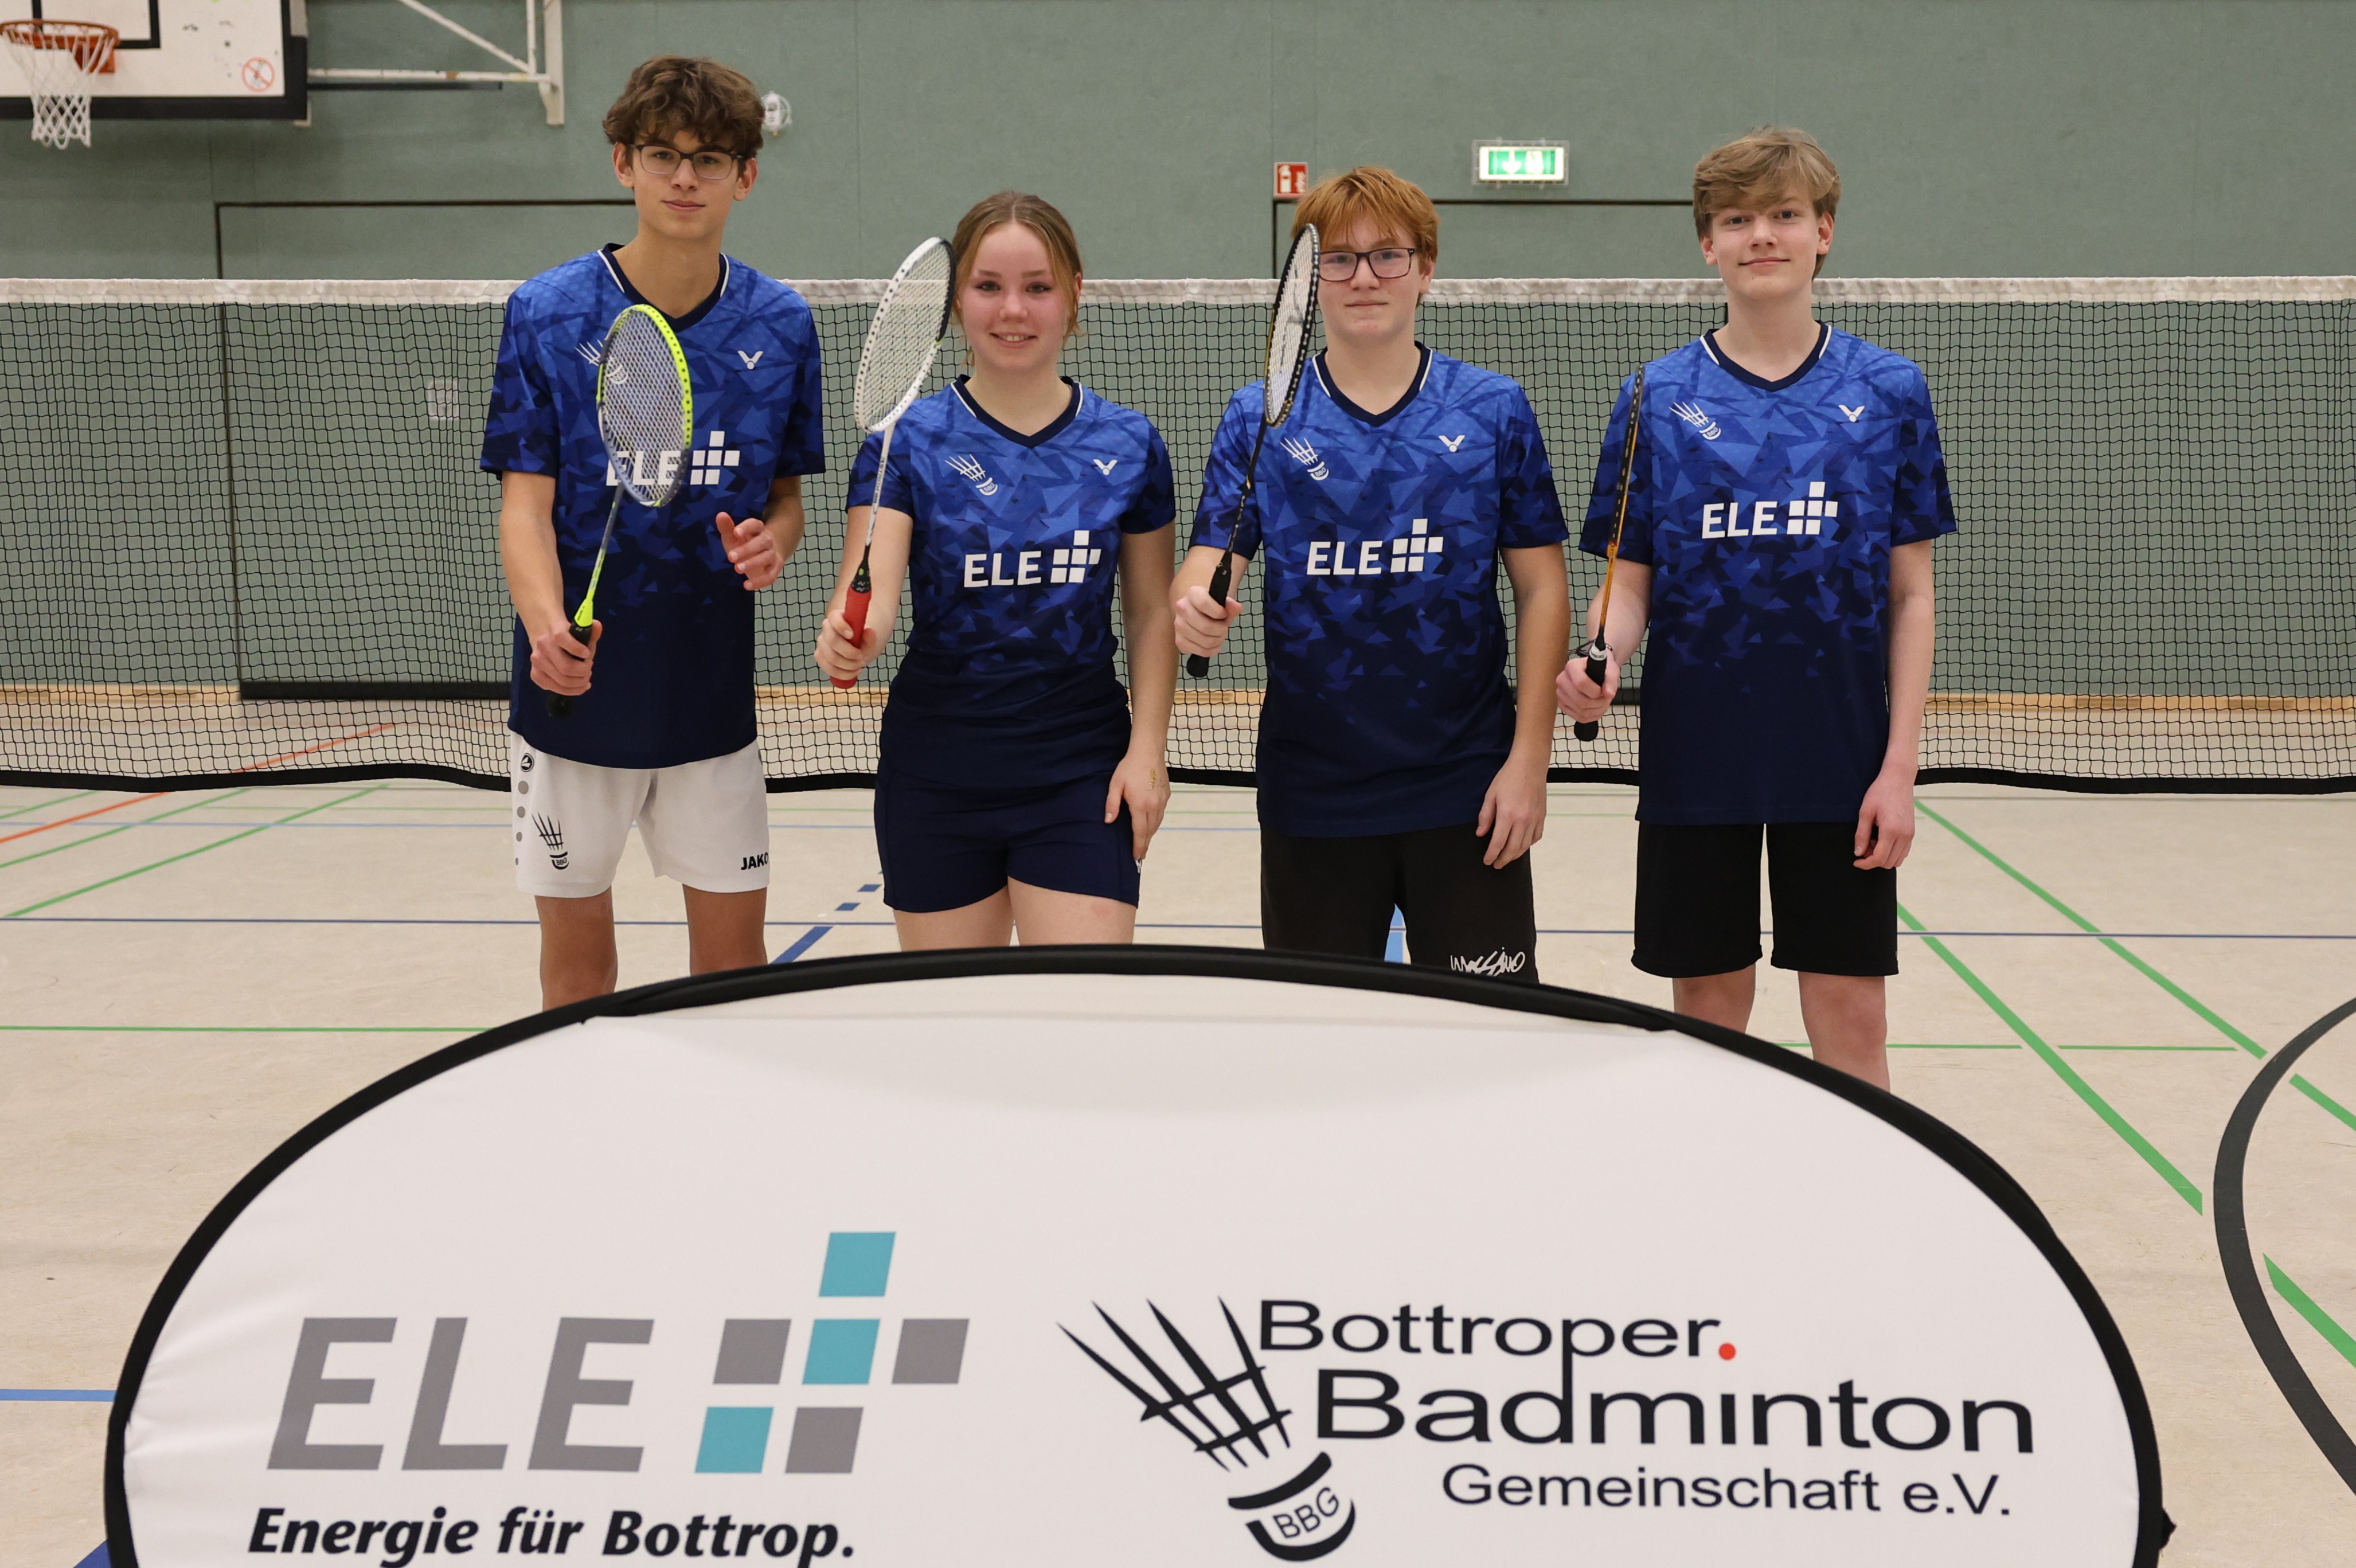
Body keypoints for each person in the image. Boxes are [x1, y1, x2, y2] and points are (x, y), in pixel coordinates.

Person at [1556, 128, 1954, 1089]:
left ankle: (1855, 1181)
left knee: (1851, 1015)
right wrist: (1597, 656)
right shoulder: (1653, 396)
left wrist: (1897, 769)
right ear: (1708, 243)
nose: (1761, 236)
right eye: (1736, 220)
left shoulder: (1888, 390)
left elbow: (1910, 595)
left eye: (1783, 215)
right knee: (1706, 1012)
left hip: (1840, 755)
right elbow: (1628, 580)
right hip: (1699, 753)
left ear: (1823, 232)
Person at [482, 56, 823, 1009]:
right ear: (623, 163)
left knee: (732, 975)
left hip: (709, 694)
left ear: (744, 175)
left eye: (709, 158)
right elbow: (524, 507)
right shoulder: (547, 313)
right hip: (573, 699)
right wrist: (546, 629)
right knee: (578, 977)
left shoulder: (782, 325)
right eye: (663, 155)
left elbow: (788, 501)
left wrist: (776, 543)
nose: (684, 177)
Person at [1173, 167, 1570, 983]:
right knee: (1322, 1036)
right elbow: (1208, 565)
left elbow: (1542, 590)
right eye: (1339, 258)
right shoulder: (1259, 416)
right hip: (1313, 791)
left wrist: (1528, 762)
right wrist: (1193, 609)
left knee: (1489, 1031)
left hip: (1467, 786)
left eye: (1388, 255)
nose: (1364, 277)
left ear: (1426, 268)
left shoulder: (1492, 408)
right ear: (1308, 279)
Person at [813, 192, 1177, 947]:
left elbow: (1150, 613)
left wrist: (1148, 753)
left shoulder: (1130, 444)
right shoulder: (905, 442)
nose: (1013, 309)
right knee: (952, 1012)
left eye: (1037, 287)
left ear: (1073, 294)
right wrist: (851, 637)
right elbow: (869, 590)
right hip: (936, 773)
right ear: (957, 300)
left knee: (1079, 1003)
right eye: (988, 286)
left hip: (1080, 772)